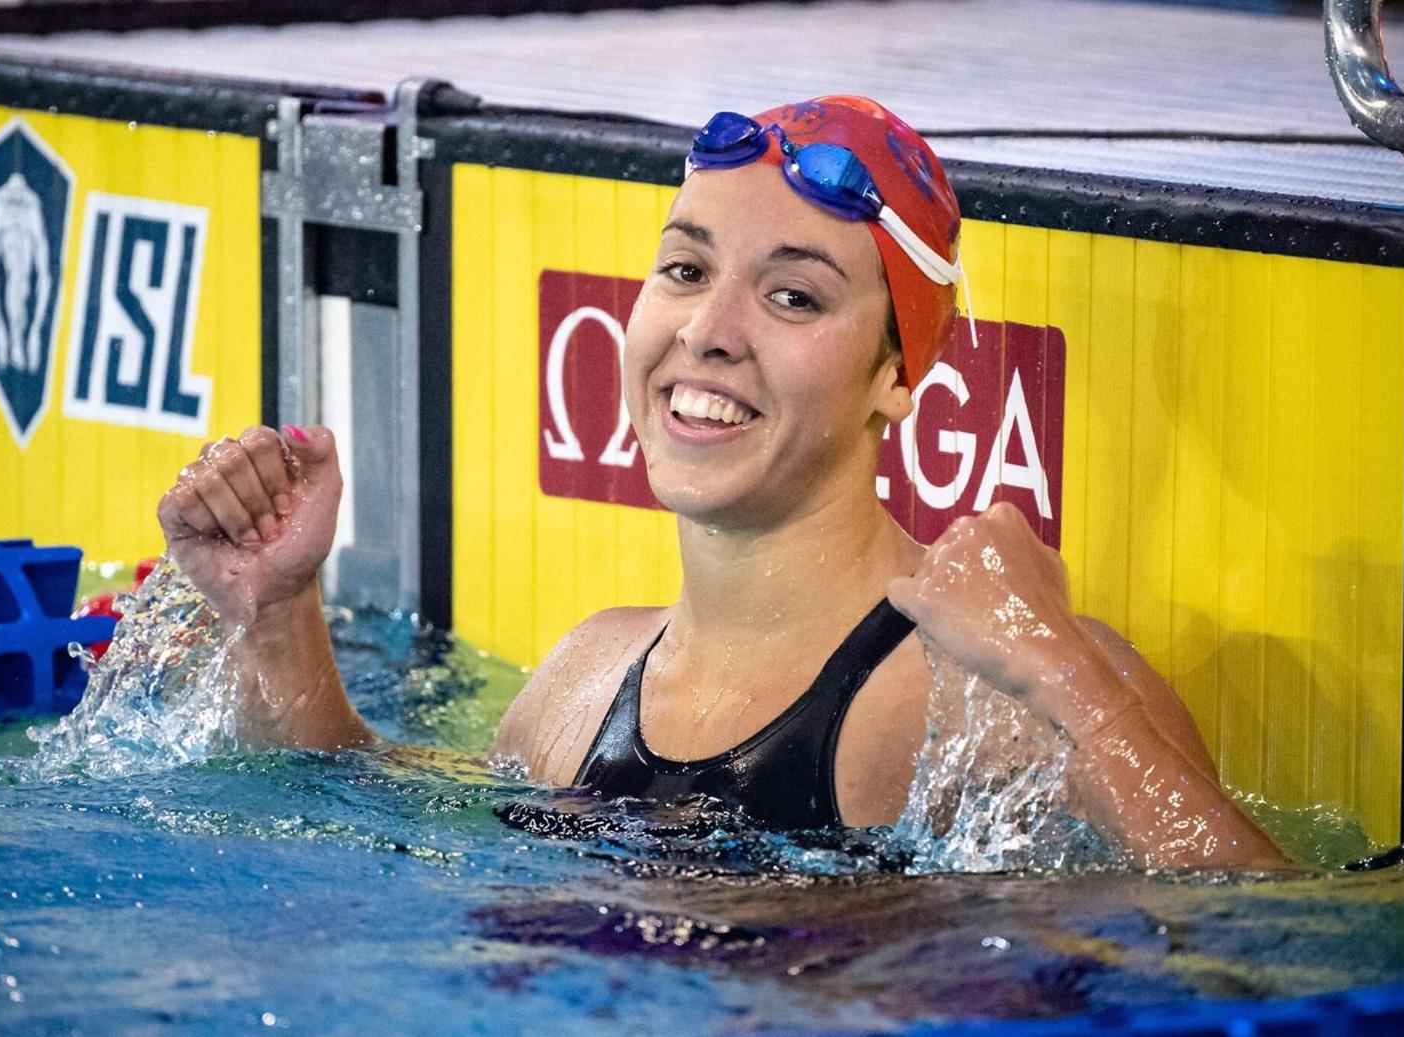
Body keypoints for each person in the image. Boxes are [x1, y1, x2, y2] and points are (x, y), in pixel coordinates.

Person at [157, 96, 1283, 869]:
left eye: (791, 297)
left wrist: (1063, 672)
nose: (706, 331)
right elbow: (338, 809)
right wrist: (275, 613)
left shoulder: (982, 690)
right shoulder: (585, 677)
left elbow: (1278, 949)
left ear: (898, 373)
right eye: (684, 269)